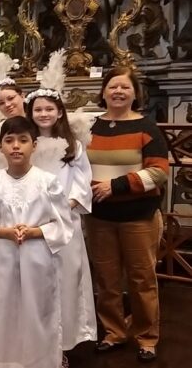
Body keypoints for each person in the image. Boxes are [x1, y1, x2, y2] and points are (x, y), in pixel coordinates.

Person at [0, 116, 73, 368]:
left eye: (23, 140)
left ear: (34, 145)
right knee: (2, 312)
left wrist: (35, 232)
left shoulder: (47, 182)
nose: (16, 146)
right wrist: (3, 231)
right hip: (2, 260)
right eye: (9, 140)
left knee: (39, 313)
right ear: (0, 147)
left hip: (38, 259)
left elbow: (62, 224)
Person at [85, 67, 168, 362]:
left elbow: (158, 172)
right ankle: (113, 332)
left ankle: (147, 337)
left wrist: (115, 186)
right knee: (106, 280)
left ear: (135, 94)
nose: (118, 92)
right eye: (113, 87)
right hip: (99, 217)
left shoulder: (146, 127)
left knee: (141, 279)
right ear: (104, 92)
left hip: (138, 216)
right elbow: (78, 168)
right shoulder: (90, 127)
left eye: (125, 87)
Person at [26, 89, 97, 366]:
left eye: (49, 109)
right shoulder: (27, 143)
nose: (44, 114)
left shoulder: (73, 145)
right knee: (35, 282)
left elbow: (83, 181)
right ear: (30, 114)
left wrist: (66, 203)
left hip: (64, 221)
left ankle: (62, 344)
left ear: (59, 112)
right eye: (38, 110)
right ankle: (35, 341)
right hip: (33, 222)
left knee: (65, 280)